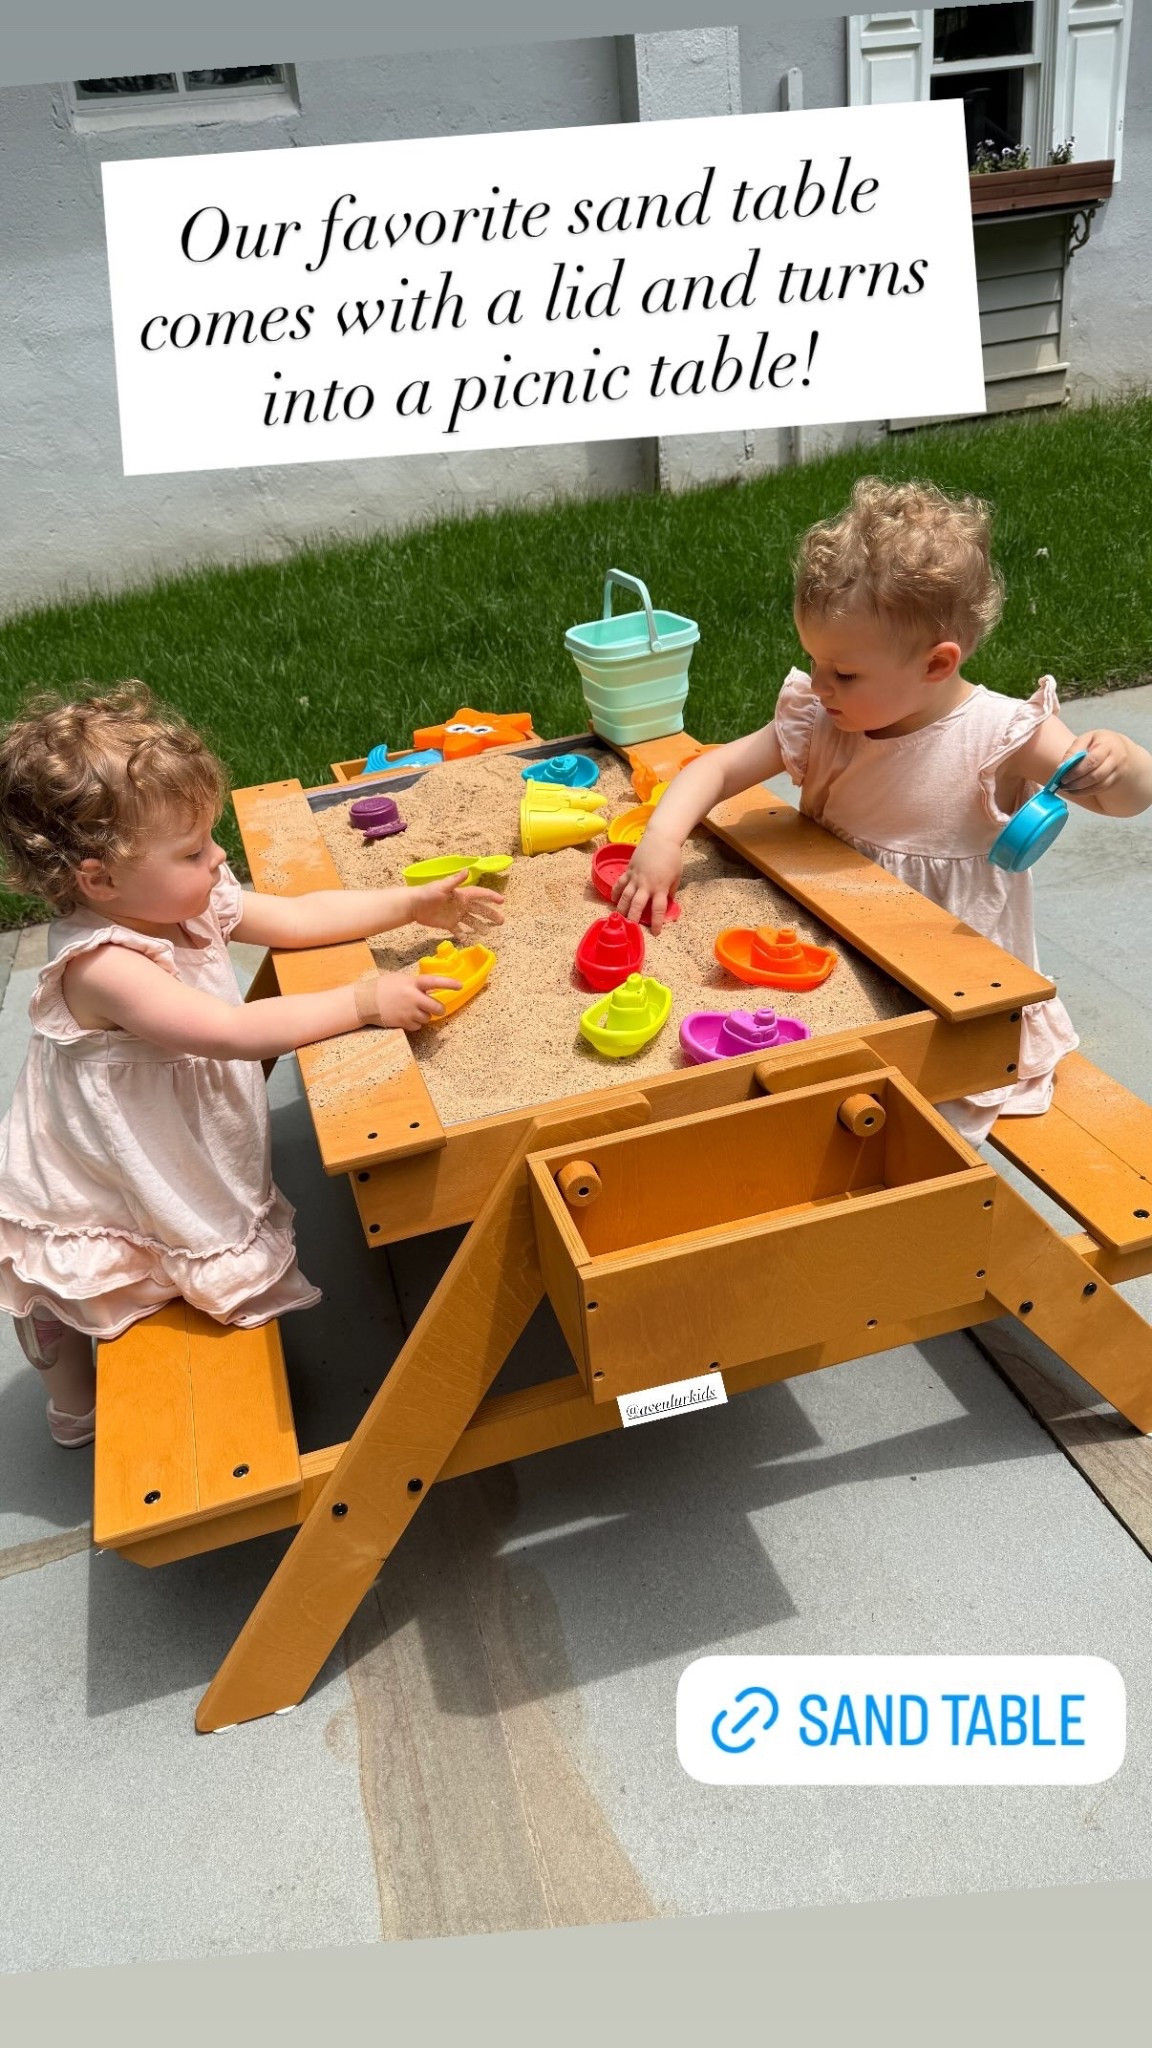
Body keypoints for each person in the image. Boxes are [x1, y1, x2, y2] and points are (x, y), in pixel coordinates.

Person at [0, 683, 504, 1447]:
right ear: (99, 880)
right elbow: (231, 1032)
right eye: (193, 850)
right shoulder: (104, 966)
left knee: (133, 1258)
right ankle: (71, 1398)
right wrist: (363, 1000)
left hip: (160, 1123)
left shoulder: (181, 899)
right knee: (67, 1276)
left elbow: (300, 917)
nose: (218, 859)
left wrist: (409, 904)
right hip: (99, 1155)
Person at [614, 476, 1152, 1144]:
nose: (819, 685)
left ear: (936, 664)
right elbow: (717, 767)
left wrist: (1121, 761)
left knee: (905, 1133)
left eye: (843, 673)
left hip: (954, 995)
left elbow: (1122, 800)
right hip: (842, 960)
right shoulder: (824, 720)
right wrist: (663, 838)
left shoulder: (1004, 736)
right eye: (814, 662)